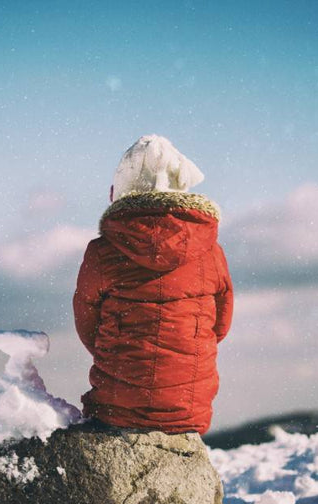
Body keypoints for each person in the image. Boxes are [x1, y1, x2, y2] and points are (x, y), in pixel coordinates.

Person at [73, 134, 233, 435]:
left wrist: (122, 355)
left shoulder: (102, 251)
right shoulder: (211, 251)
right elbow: (220, 325)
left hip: (116, 408)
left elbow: (87, 324)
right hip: (189, 411)